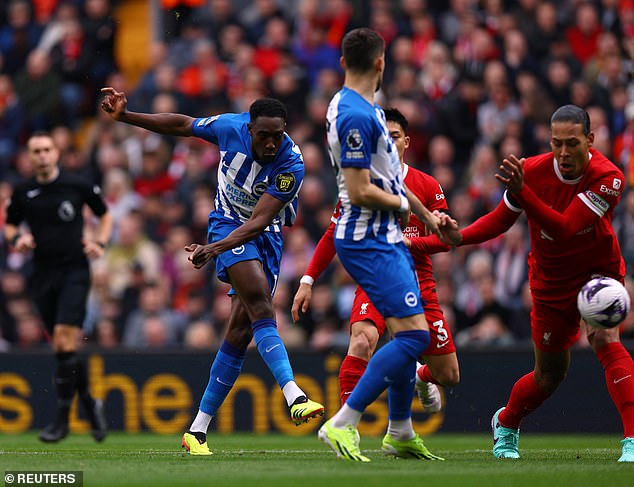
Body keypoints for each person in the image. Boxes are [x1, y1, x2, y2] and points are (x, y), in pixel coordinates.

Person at [100, 88, 324, 456]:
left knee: (239, 332)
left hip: (261, 235)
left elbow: (262, 220)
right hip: (225, 224)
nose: (271, 143)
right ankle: (294, 394)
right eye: (264, 135)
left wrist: (211, 250)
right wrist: (126, 117)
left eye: (278, 135)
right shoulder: (228, 127)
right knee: (261, 306)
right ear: (249, 129)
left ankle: (197, 430)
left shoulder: (292, 165)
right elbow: (183, 124)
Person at [440, 105, 634, 462]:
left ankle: (632, 441)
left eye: (572, 143)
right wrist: (459, 238)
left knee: (606, 338)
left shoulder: (610, 176)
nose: (563, 153)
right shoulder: (530, 171)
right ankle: (507, 422)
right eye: (556, 143)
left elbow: (566, 229)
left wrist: (523, 191)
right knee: (548, 376)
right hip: (551, 282)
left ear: (589, 140)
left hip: (597, 272)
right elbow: (500, 220)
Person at [314, 28, 457, 462]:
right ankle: (344, 422)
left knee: (401, 332)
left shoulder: (365, 111)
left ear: (343, 62)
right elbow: (359, 191)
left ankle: (399, 430)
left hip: (382, 235)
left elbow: (393, 178)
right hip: (368, 237)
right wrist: (400, 205)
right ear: (381, 63)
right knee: (414, 338)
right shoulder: (356, 116)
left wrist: (429, 217)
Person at [292, 108, 459, 449]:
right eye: (383, 137)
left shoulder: (427, 185)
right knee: (363, 339)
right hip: (378, 277)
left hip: (419, 282)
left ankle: (417, 379)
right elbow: (331, 233)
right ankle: (346, 427)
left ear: (406, 142)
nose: (388, 142)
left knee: (448, 375)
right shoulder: (359, 184)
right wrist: (308, 280)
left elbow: (445, 239)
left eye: (395, 137)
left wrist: (410, 241)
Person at [4, 131, 112, 443]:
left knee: (65, 341)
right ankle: (91, 404)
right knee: (62, 348)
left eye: (46, 150)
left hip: (75, 270)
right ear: (29, 156)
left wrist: (100, 243)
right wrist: (17, 239)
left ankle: (61, 422)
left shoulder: (76, 185)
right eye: (35, 151)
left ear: (56, 153)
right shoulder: (23, 192)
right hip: (42, 274)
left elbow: (105, 215)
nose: (41, 156)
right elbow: (10, 224)